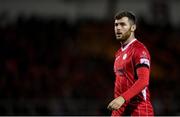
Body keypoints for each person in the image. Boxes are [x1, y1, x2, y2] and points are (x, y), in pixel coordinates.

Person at [107, 11, 154, 116]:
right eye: (116, 25)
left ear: (133, 28)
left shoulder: (139, 50)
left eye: (123, 24)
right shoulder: (118, 53)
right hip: (122, 111)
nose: (118, 28)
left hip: (139, 111)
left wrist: (122, 98)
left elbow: (144, 81)